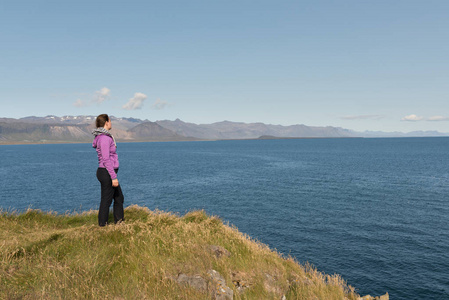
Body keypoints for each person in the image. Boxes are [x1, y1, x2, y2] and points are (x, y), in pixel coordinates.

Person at [92, 114, 124, 226]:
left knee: (119, 197)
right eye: (110, 121)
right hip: (106, 172)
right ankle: (102, 226)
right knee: (106, 200)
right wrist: (113, 177)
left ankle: (119, 223)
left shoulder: (102, 137)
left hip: (106, 171)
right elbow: (106, 159)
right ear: (106, 122)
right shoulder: (104, 138)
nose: (111, 123)